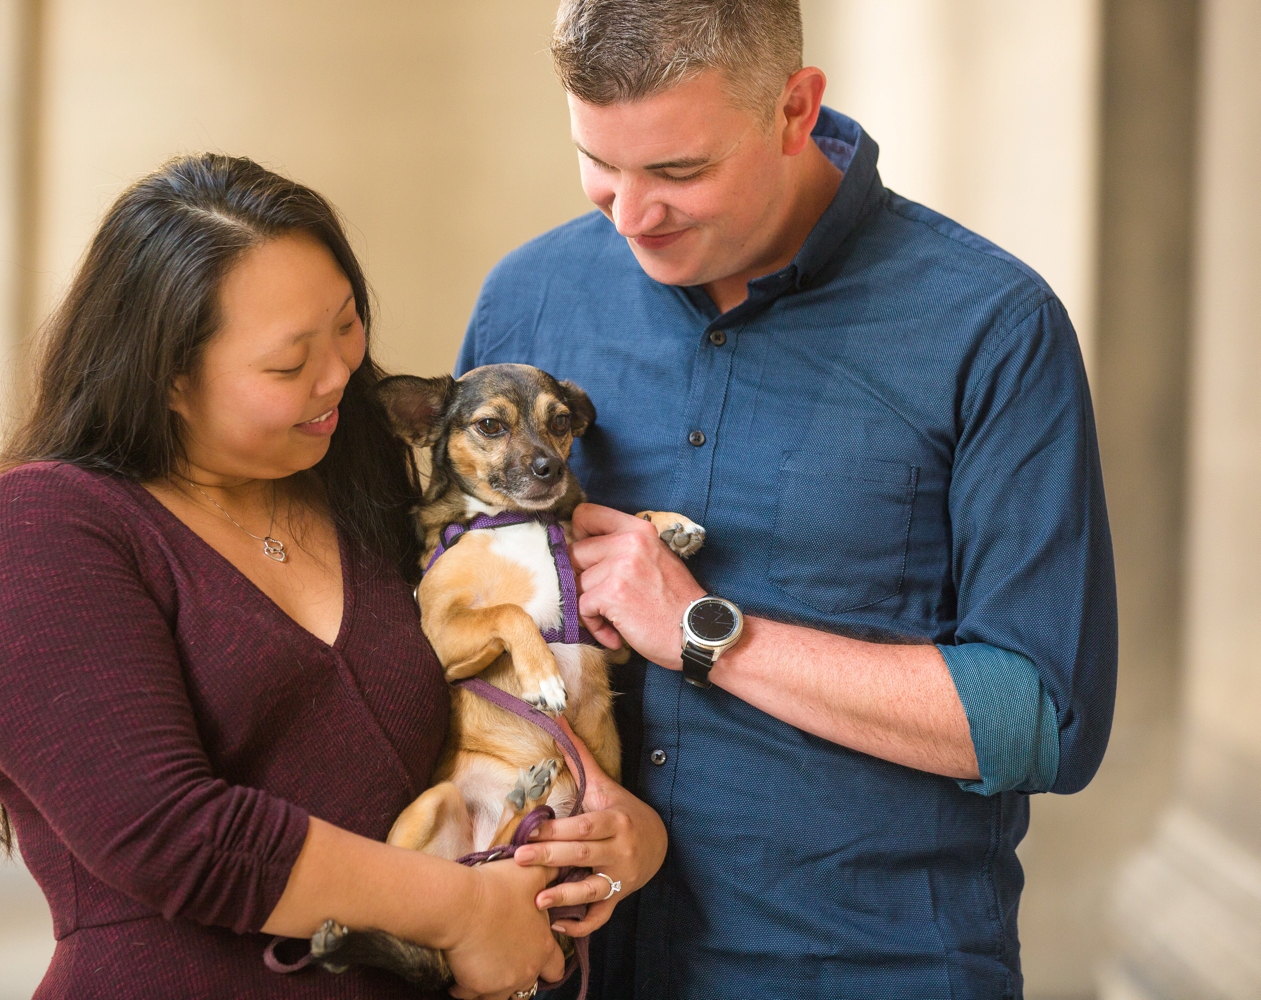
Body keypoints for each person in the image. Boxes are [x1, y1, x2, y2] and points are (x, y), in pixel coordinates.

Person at [467, 2, 1118, 997]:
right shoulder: (528, 298)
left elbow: (1038, 721)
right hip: (573, 969)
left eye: (680, 172)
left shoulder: (991, 327)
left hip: (867, 969)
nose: (632, 214)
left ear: (795, 108)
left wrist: (701, 629)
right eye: (600, 163)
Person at [0, 153, 665, 1000]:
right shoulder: (44, 528)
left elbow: (485, 708)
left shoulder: (366, 481)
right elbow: (166, 832)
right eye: (288, 365)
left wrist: (620, 835)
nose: (340, 376)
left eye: (347, 325)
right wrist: (461, 910)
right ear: (167, 375)